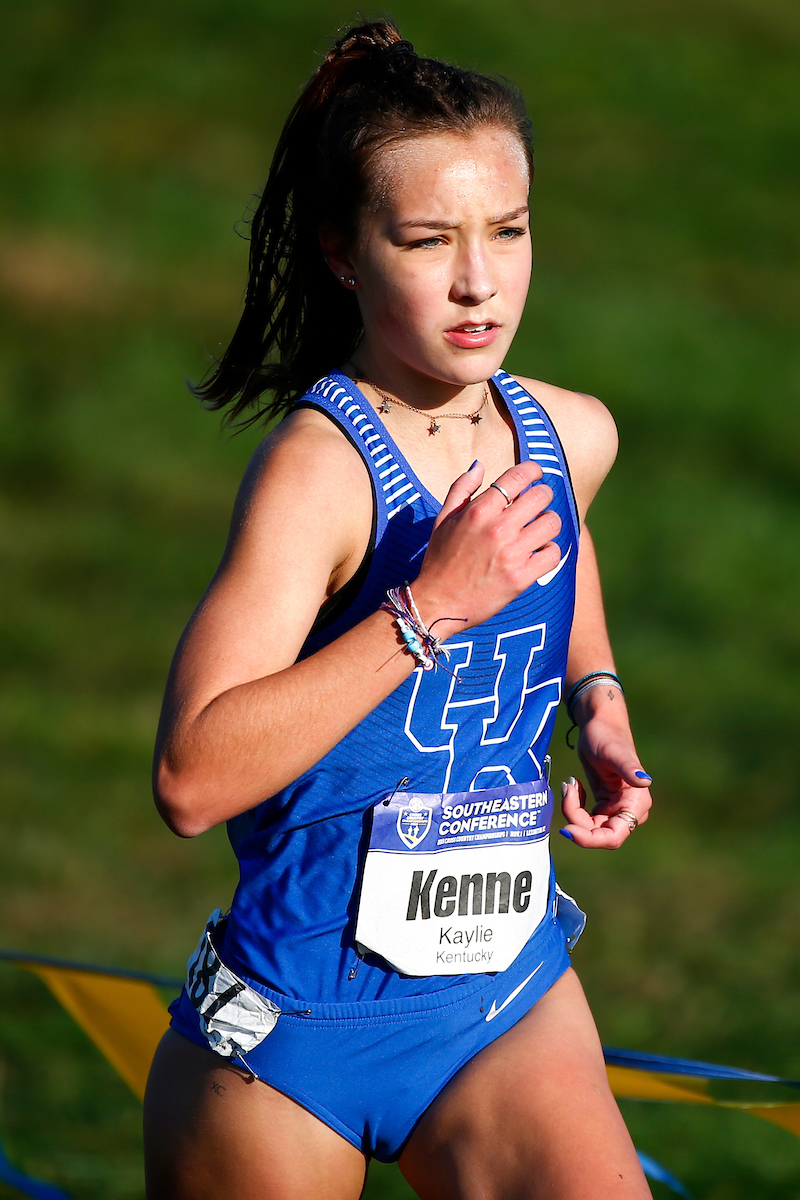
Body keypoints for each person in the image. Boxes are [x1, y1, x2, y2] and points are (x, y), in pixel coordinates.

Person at [143, 18, 654, 1200]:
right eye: (427, 240)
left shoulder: (568, 437)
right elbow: (190, 779)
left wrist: (597, 698)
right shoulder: (318, 472)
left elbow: (558, 560)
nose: (480, 281)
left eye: (508, 232)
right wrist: (424, 608)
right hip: (290, 1037)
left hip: (503, 1000)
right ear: (341, 249)